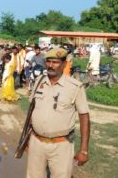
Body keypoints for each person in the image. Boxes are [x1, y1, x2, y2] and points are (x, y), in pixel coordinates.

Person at [27, 48, 90, 178]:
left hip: (61, 145)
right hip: (36, 142)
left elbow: (84, 117)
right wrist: (27, 139)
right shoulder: (39, 81)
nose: (50, 65)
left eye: (55, 62)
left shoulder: (75, 87)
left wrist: (83, 150)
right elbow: (31, 110)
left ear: (64, 64)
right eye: (48, 61)